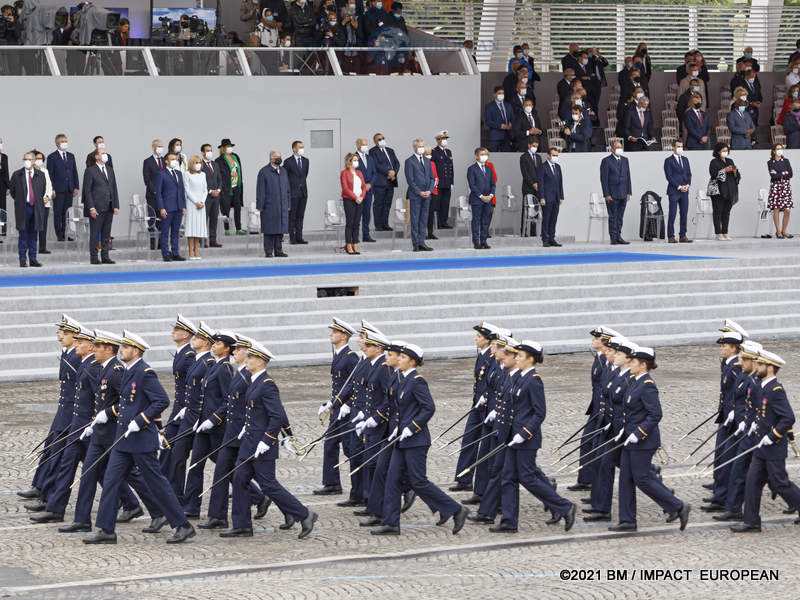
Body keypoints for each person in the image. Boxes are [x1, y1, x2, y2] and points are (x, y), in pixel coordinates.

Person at [82, 331, 196, 545]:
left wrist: (141, 420)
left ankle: (183, 525)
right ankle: (106, 530)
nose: (121, 351)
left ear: (135, 351)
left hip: (141, 440)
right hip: (123, 440)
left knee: (157, 484)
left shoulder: (145, 372)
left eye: (124, 348)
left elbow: (161, 401)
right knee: (111, 481)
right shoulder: (127, 371)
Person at [222, 340, 318, 539]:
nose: (246, 360)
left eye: (250, 357)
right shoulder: (255, 381)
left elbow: (277, 416)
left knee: (268, 485)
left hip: (261, 445)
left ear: (260, 361)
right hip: (249, 442)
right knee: (239, 479)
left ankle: (305, 514)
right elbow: (254, 412)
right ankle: (242, 525)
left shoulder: (267, 385)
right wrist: (245, 430)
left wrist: (267, 440)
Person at [371, 343, 469, 535]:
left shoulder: (417, 381)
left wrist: (412, 427)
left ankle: (457, 509)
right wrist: (395, 430)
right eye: (398, 357)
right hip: (401, 439)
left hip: (416, 441)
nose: (399, 359)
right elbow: (399, 410)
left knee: (418, 481)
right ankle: (391, 522)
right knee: (392, 479)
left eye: (403, 358)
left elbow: (428, 408)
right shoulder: (401, 379)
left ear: (412, 361)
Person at [490, 340, 576, 533]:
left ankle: (565, 506)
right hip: (512, 437)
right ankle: (509, 521)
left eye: (520, 356)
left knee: (527, 477)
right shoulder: (520, 377)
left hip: (526, 439)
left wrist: (524, 433)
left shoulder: (534, 380)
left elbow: (539, 412)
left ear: (530, 359)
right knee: (508, 478)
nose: (517, 358)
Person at [607, 346, 690, 532]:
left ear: (643, 365)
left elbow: (655, 414)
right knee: (626, 480)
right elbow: (631, 411)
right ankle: (627, 520)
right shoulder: (635, 381)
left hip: (643, 442)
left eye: (633, 362)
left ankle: (678, 506)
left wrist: (638, 433)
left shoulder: (647, 385)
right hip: (630, 437)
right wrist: (624, 431)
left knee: (642, 479)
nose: (630, 364)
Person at [731, 350, 800, 533]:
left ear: (770, 368)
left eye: (760, 365)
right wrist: (755, 424)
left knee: (780, 483)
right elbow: (764, 413)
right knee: (752, 481)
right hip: (761, 447)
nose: (757, 367)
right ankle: (751, 521)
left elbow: (788, 418)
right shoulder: (763, 386)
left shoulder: (776, 390)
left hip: (773, 448)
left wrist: (773, 435)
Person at [314, 318, 359, 495]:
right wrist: (330, 403)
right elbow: (340, 386)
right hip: (336, 408)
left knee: (350, 449)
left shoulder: (350, 357)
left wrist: (347, 404)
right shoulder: (339, 355)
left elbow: (356, 385)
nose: (331, 334)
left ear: (343, 336)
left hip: (346, 411)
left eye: (334, 332)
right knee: (330, 444)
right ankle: (332, 483)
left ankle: (364, 485)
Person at [10, 151, 46, 267]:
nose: (26, 162)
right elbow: (13, 191)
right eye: (24, 159)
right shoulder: (17, 174)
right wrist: (21, 200)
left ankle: (33, 259)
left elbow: (42, 190)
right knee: (23, 234)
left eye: (29, 159)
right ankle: (22, 259)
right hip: (23, 208)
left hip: (36, 208)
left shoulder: (40, 175)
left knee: (34, 234)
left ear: (34, 161)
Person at [82, 149, 119, 265]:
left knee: (106, 233)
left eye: (105, 153)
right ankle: (94, 257)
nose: (105, 155)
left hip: (109, 206)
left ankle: (105, 256)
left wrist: (116, 205)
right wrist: (91, 207)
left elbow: (114, 188)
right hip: (97, 207)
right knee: (95, 233)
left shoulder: (110, 169)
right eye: (102, 153)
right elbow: (87, 191)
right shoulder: (90, 171)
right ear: (96, 156)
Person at [46, 133, 79, 244]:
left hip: (69, 189)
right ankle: (59, 235)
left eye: (66, 141)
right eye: (62, 141)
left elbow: (74, 172)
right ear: (57, 144)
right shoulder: (52, 157)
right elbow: (50, 175)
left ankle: (66, 234)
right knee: (58, 212)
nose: (65, 143)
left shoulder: (71, 156)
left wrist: (76, 186)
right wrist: (52, 189)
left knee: (67, 213)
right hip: (58, 190)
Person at [255, 150, 290, 258]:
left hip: (282, 205)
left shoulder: (283, 171)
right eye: (276, 157)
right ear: (271, 159)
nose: (279, 158)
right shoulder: (264, 172)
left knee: (280, 229)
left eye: (280, 156)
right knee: (270, 229)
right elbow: (260, 190)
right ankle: (269, 251)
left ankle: (278, 250)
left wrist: (288, 204)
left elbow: (287, 189)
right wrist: (260, 206)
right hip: (269, 205)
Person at [404, 138, 435, 252]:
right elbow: (410, 180)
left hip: (427, 195)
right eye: (419, 146)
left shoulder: (427, 161)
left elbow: (432, 178)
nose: (421, 148)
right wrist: (419, 191)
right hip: (416, 195)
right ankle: (416, 243)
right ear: (414, 147)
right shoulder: (409, 161)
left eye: (423, 146)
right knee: (415, 219)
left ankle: (422, 242)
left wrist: (429, 190)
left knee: (424, 219)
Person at [155, 152, 186, 261]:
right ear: (166, 161)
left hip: (178, 207)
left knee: (176, 232)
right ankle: (165, 253)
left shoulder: (179, 173)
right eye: (172, 159)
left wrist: (183, 206)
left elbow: (181, 191)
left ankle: (175, 252)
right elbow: (158, 193)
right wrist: (161, 208)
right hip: (167, 208)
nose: (174, 161)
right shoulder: (161, 174)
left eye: (175, 159)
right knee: (165, 232)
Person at [599, 141, 631, 245]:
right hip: (612, 194)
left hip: (623, 192)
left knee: (620, 216)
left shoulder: (625, 160)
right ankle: (613, 237)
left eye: (620, 147)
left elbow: (628, 177)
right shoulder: (606, 161)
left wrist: (628, 192)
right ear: (612, 149)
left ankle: (618, 236)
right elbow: (604, 179)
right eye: (617, 147)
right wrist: (606, 194)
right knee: (613, 216)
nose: (619, 149)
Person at [707, 143, 740, 241]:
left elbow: (737, 177)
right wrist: (724, 170)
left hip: (729, 190)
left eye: (726, 150)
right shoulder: (714, 162)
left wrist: (735, 172)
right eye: (723, 151)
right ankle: (718, 233)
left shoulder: (730, 161)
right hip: (718, 191)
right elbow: (713, 175)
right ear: (718, 152)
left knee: (726, 212)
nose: (725, 152)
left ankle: (725, 232)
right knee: (717, 212)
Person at [663, 140, 692, 243]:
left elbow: (689, 174)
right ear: (673, 148)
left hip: (685, 191)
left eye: (682, 146)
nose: (680, 148)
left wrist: (687, 185)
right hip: (674, 191)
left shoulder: (685, 159)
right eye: (678, 146)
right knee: (673, 213)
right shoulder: (668, 160)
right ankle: (671, 236)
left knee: (684, 214)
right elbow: (669, 176)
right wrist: (679, 186)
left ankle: (683, 235)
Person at [369, 133, 400, 233]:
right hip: (380, 182)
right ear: (375, 141)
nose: (382, 140)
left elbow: (397, 163)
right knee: (378, 203)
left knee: (387, 204)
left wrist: (394, 172)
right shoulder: (373, 151)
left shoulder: (390, 151)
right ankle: (378, 225)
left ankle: (385, 224)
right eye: (379, 139)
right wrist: (388, 172)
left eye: (383, 138)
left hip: (390, 182)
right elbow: (376, 165)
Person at [215, 139, 245, 236]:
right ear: (223, 148)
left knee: (237, 208)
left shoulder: (235, 157)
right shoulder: (219, 161)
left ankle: (239, 228)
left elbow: (239, 170)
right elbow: (219, 175)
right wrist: (230, 174)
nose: (229, 148)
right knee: (225, 210)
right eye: (227, 146)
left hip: (236, 186)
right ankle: (226, 228)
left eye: (230, 146)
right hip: (226, 189)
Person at [466, 147, 494, 250]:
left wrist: (490, 195)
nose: (484, 156)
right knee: (476, 221)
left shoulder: (489, 169)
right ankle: (476, 242)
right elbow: (472, 185)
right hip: (477, 200)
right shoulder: (472, 169)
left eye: (486, 154)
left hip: (488, 199)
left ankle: (484, 241)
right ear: (477, 156)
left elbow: (493, 184)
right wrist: (481, 196)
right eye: (482, 154)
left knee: (485, 221)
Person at [284, 140, 310, 245]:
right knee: (292, 216)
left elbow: (304, 175)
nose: (302, 149)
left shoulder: (306, 161)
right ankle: (292, 237)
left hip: (303, 192)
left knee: (300, 216)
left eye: (303, 147)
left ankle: (299, 237)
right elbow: (285, 177)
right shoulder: (288, 161)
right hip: (293, 193)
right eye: (300, 147)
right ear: (294, 149)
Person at [340, 152, 366, 255]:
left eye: (357, 160)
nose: (356, 162)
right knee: (350, 223)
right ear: (349, 161)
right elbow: (345, 188)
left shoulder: (359, 172)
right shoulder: (344, 173)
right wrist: (355, 198)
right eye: (354, 160)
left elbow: (363, 186)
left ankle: (355, 243)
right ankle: (348, 244)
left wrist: (361, 197)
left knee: (357, 223)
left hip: (360, 200)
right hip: (349, 200)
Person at [183, 155, 208, 260]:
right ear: (191, 163)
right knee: (191, 227)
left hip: (201, 204)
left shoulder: (203, 174)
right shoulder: (187, 174)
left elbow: (205, 190)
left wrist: (202, 201)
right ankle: (190, 251)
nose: (198, 165)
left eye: (200, 163)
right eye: (196, 162)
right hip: (192, 204)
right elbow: (187, 190)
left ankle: (196, 249)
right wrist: (196, 202)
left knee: (198, 227)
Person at [538, 148, 563, 247]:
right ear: (548, 155)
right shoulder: (542, 167)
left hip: (556, 197)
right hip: (547, 198)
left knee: (554, 219)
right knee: (546, 219)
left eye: (557, 155)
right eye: (553, 155)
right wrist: (542, 197)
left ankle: (552, 238)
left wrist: (561, 196)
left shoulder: (558, 167)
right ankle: (545, 239)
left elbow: (560, 183)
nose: (555, 157)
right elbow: (541, 183)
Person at [767, 144, 793, 239]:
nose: (780, 150)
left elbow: (790, 174)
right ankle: (778, 231)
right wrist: (784, 172)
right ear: (774, 151)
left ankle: (784, 230)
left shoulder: (786, 161)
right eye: (778, 149)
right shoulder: (770, 162)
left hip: (785, 187)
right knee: (776, 209)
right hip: (776, 187)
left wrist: (779, 173)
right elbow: (773, 176)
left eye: (781, 149)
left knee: (787, 210)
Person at [199, 144, 222, 248]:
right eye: (207, 151)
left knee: (214, 219)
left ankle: (213, 240)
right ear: (203, 153)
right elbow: (200, 181)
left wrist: (218, 190)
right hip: (206, 196)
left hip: (216, 196)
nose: (210, 153)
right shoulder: (200, 164)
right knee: (204, 219)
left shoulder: (215, 164)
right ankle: (203, 241)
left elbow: (220, 179)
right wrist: (209, 191)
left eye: (211, 150)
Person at [353, 138, 375, 241]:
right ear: (358, 145)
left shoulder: (370, 158)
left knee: (367, 213)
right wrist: (362, 185)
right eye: (363, 144)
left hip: (369, 190)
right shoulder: (353, 157)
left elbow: (374, 173)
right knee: (356, 214)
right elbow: (352, 173)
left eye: (366, 144)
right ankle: (355, 236)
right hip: (358, 191)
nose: (365, 146)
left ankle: (366, 235)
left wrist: (370, 184)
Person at [431, 131, 454, 229]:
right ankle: (437, 223)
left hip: (447, 182)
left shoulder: (448, 152)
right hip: (438, 182)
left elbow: (451, 167)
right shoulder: (434, 151)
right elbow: (432, 168)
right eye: (443, 139)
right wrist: (434, 181)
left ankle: (444, 222)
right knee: (437, 203)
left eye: (446, 139)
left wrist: (452, 181)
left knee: (446, 203)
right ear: (438, 140)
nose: (445, 141)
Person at [32, 151, 54, 253]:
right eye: (37, 158)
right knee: (32, 226)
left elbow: (49, 186)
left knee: (43, 226)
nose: (39, 161)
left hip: (45, 203)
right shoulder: (29, 172)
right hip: (33, 203)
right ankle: (31, 247)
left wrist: (47, 197)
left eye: (41, 159)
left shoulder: (45, 171)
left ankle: (42, 247)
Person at [519, 138, 542, 236]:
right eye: (533, 146)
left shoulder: (539, 157)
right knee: (527, 208)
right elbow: (525, 173)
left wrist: (539, 183)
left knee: (536, 209)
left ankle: (533, 231)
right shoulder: (524, 157)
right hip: (528, 187)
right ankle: (524, 231)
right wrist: (533, 183)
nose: (535, 148)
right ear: (529, 145)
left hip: (538, 187)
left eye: (536, 146)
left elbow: (540, 172)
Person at [484, 86, 513, 152]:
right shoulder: (489, 106)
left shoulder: (508, 105)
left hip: (507, 136)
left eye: (502, 93)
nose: (501, 95)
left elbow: (512, 118)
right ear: (494, 94)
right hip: (495, 136)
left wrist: (511, 123)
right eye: (499, 93)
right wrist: (500, 126)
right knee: (494, 156)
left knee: (506, 156)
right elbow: (488, 121)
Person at [424, 146, 440, 240]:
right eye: (427, 154)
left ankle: (430, 232)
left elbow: (435, 175)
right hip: (425, 191)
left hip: (433, 191)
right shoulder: (422, 163)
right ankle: (423, 233)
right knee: (424, 213)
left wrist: (436, 180)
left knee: (431, 213)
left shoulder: (433, 163)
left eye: (430, 154)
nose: (429, 156)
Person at [0, 138, 8, 239]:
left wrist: (8, 187)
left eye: (1, 143)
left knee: (2, 209)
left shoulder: (5, 157)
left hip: (2, 185)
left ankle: (2, 231)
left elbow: (6, 172)